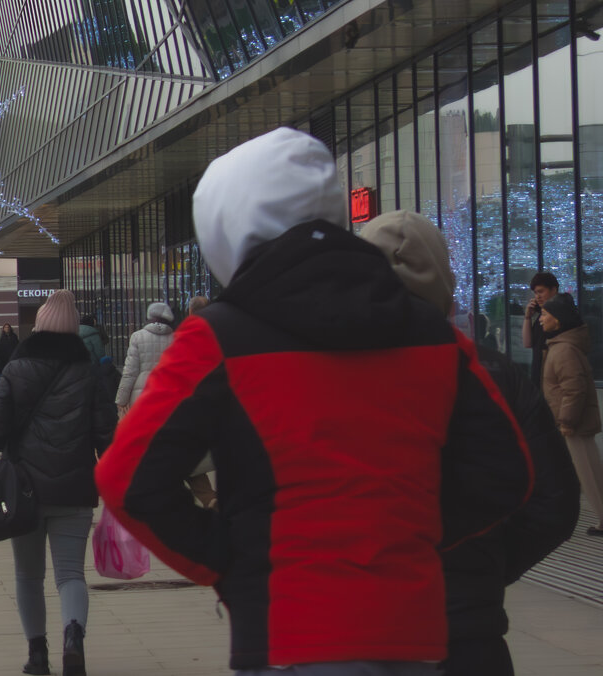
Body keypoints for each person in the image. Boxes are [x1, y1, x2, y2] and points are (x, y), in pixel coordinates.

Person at [94, 128, 533, 675]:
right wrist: (410, 535)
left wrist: (229, 557)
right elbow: (505, 472)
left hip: (287, 629)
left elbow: (126, 477)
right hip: (414, 629)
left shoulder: (219, 338)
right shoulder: (429, 332)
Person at [362, 210, 581, 676]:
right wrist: (487, 567)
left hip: (354, 630)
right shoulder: (494, 373)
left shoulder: (322, 375)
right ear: (445, 284)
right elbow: (555, 502)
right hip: (467, 631)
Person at [0, 290, 117, 676]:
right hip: (74, 489)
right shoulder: (89, 373)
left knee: (28, 574)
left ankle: (37, 654)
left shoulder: (16, 368)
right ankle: (73, 638)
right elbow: (108, 435)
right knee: (71, 573)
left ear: (38, 327)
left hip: (23, 488)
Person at [539, 294, 603, 536]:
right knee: (587, 473)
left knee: (590, 475)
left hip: (574, 424)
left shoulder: (564, 349)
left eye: (545, 314)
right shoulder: (562, 345)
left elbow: (573, 389)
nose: (541, 319)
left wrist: (567, 421)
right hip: (570, 422)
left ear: (558, 319)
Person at [114, 302, 175, 415]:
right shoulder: (176, 339)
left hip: (142, 396)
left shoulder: (137, 337)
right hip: (169, 396)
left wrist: (121, 400)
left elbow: (130, 372)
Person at [523, 272, 564, 387]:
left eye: (541, 291)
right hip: (538, 372)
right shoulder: (541, 316)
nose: (537, 296)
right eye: (535, 293)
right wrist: (527, 318)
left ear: (553, 290)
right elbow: (527, 343)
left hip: (552, 377)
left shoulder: (561, 315)